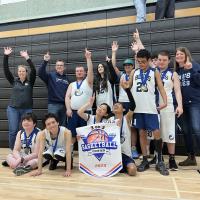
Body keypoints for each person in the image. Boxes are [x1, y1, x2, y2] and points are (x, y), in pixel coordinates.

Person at [129, 49, 169, 176]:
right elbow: (128, 86)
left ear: (149, 60)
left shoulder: (154, 72)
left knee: (156, 132)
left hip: (151, 108)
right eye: (139, 62)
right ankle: (145, 160)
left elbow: (161, 88)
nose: (141, 64)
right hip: (138, 108)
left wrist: (165, 102)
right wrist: (124, 85)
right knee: (141, 132)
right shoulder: (134, 72)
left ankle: (159, 160)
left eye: (144, 62)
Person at [3, 47, 36, 150]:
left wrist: (27, 57)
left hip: (27, 110)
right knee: (13, 130)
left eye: (23, 71)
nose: (21, 73)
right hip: (13, 109)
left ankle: (25, 149)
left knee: (26, 130)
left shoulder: (30, 82)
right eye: (20, 71)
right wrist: (6, 56)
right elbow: (6, 70)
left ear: (26, 72)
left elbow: (34, 70)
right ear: (18, 73)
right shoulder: (13, 81)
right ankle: (13, 150)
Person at [156, 50, 183, 170]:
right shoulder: (153, 72)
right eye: (159, 60)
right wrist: (138, 41)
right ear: (156, 60)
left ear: (169, 61)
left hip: (168, 106)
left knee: (170, 132)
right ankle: (159, 157)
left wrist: (180, 106)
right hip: (155, 107)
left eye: (164, 60)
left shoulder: (173, 74)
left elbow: (177, 91)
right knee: (158, 133)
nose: (161, 62)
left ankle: (172, 159)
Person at [112, 41, 139, 159]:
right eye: (126, 66)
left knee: (132, 126)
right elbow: (113, 66)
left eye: (129, 65)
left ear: (132, 66)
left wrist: (136, 52)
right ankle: (120, 146)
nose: (127, 67)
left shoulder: (135, 73)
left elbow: (139, 64)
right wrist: (114, 52)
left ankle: (133, 148)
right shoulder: (121, 75)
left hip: (132, 102)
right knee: (120, 125)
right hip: (122, 101)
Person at [174, 47, 200, 167]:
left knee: (196, 128)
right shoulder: (177, 71)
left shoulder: (194, 65)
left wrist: (193, 70)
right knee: (186, 131)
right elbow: (178, 90)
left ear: (186, 55)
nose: (178, 55)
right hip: (182, 105)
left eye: (181, 53)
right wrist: (179, 105)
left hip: (195, 102)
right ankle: (191, 157)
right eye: (177, 54)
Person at [65, 49, 93, 147]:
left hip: (85, 113)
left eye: (81, 71)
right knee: (72, 134)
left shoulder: (88, 82)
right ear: (75, 73)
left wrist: (88, 59)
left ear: (84, 73)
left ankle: (85, 153)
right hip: (73, 112)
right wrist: (68, 109)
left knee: (86, 134)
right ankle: (70, 153)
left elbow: (90, 72)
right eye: (77, 71)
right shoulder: (72, 84)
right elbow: (67, 97)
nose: (79, 72)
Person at [111, 81, 137, 176]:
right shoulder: (109, 120)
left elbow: (133, 105)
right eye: (114, 105)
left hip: (125, 154)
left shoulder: (127, 118)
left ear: (124, 109)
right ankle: (119, 167)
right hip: (112, 153)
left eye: (118, 104)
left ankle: (122, 166)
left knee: (133, 171)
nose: (116, 105)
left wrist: (127, 90)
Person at [38, 52, 70, 126]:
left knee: (63, 126)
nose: (59, 66)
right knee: (52, 125)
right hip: (53, 105)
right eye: (58, 65)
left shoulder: (67, 79)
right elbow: (40, 73)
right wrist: (45, 61)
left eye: (61, 65)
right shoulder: (50, 76)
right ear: (55, 67)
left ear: (64, 67)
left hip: (64, 106)